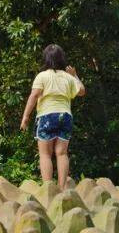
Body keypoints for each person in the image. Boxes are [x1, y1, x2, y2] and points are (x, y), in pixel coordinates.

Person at [20, 44, 85, 186]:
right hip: (65, 116)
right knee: (62, 153)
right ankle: (62, 190)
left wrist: (25, 117)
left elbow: (34, 95)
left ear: (46, 58)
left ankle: (48, 189)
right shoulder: (68, 78)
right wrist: (75, 76)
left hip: (46, 116)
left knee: (45, 154)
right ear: (62, 59)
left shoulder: (42, 76)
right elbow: (81, 91)